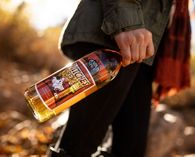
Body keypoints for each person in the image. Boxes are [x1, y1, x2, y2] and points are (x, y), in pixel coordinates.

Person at [49, 0, 191, 156]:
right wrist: (127, 23)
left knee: (131, 149)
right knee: (77, 146)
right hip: (112, 33)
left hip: (145, 48)